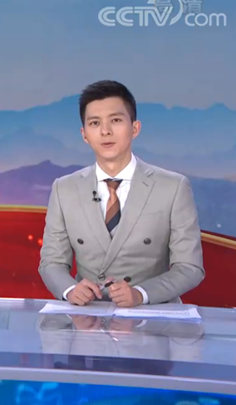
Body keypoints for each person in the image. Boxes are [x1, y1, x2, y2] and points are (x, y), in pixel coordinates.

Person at [38, 80, 204, 307]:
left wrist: (141, 294)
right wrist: (70, 290)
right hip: (88, 315)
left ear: (135, 128)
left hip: (152, 314)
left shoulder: (173, 187)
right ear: (84, 134)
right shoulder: (64, 189)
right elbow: (51, 262)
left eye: (115, 120)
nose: (105, 131)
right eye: (95, 123)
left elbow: (189, 267)